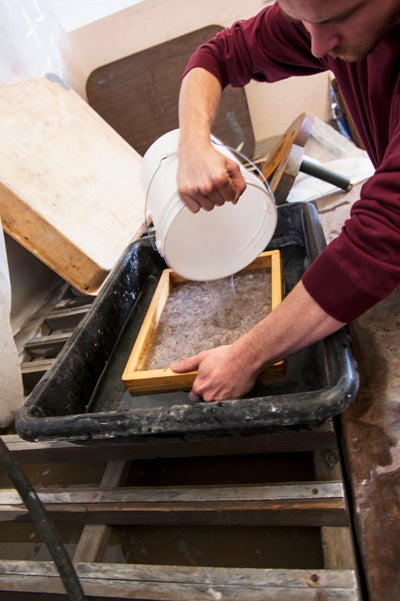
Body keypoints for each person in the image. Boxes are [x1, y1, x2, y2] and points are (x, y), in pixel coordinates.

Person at [171, 0, 400, 402]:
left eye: (334, 21)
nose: (316, 47)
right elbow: (218, 55)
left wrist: (245, 357)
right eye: (300, 21)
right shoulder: (327, 14)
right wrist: (192, 143)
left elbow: (382, 236)